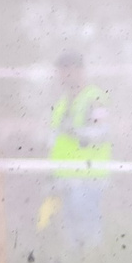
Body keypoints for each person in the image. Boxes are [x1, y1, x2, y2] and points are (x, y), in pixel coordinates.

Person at [40, 51, 110, 250]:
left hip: (88, 178)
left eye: (67, 71)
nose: (63, 77)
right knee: (71, 238)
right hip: (65, 180)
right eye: (60, 72)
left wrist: (75, 132)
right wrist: (51, 176)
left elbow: (103, 133)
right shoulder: (62, 103)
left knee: (89, 232)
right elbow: (56, 142)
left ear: (80, 71)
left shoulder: (94, 98)